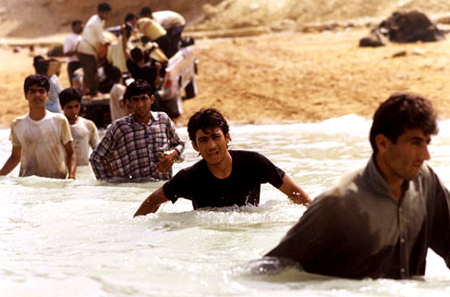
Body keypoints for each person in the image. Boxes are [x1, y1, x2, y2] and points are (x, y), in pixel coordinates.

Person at [264, 92, 450, 280]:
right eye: (415, 143)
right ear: (383, 143)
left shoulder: (426, 181)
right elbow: (270, 270)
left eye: (426, 143)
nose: (425, 155)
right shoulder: (339, 202)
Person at [133, 108, 311, 217]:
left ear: (227, 137)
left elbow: (295, 193)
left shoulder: (254, 163)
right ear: (195, 146)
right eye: (203, 140)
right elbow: (153, 201)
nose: (211, 145)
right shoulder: (190, 178)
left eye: (216, 137)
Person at [89, 79, 185, 182]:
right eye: (135, 100)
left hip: (163, 189)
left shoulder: (163, 119)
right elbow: (96, 158)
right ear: (130, 103)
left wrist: (173, 154)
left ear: (152, 99)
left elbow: (180, 144)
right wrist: (110, 183)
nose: (140, 104)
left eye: (144, 99)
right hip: (133, 193)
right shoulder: (120, 127)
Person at [0, 74, 76, 179]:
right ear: (26, 95)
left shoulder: (59, 120)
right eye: (32, 91)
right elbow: (15, 157)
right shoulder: (17, 123)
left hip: (56, 181)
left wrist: (72, 177)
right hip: (27, 183)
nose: (37, 95)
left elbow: (71, 153)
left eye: (41, 91)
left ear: (48, 95)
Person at [78, 2, 112, 96]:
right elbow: (101, 38)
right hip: (86, 49)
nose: (108, 16)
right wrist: (108, 43)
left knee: (88, 71)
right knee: (92, 72)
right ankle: (94, 93)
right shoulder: (96, 22)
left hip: (89, 49)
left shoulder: (97, 19)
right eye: (106, 13)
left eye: (108, 13)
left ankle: (85, 91)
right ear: (100, 12)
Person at [59, 87, 100, 166]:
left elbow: (98, 151)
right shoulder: (58, 126)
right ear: (62, 107)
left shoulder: (88, 125)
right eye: (69, 107)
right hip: (65, 174)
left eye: (76, 106)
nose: (74, 111)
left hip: (84, 171)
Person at [63, 20, 83, 86]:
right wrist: (76, 51)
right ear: (74, 27)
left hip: (82, 64)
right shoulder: (69, 38)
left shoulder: (81, 37)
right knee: (75, 86)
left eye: (82, 25)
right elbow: (66, 53)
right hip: (73, 65)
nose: (81, 27)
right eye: (79, 26)